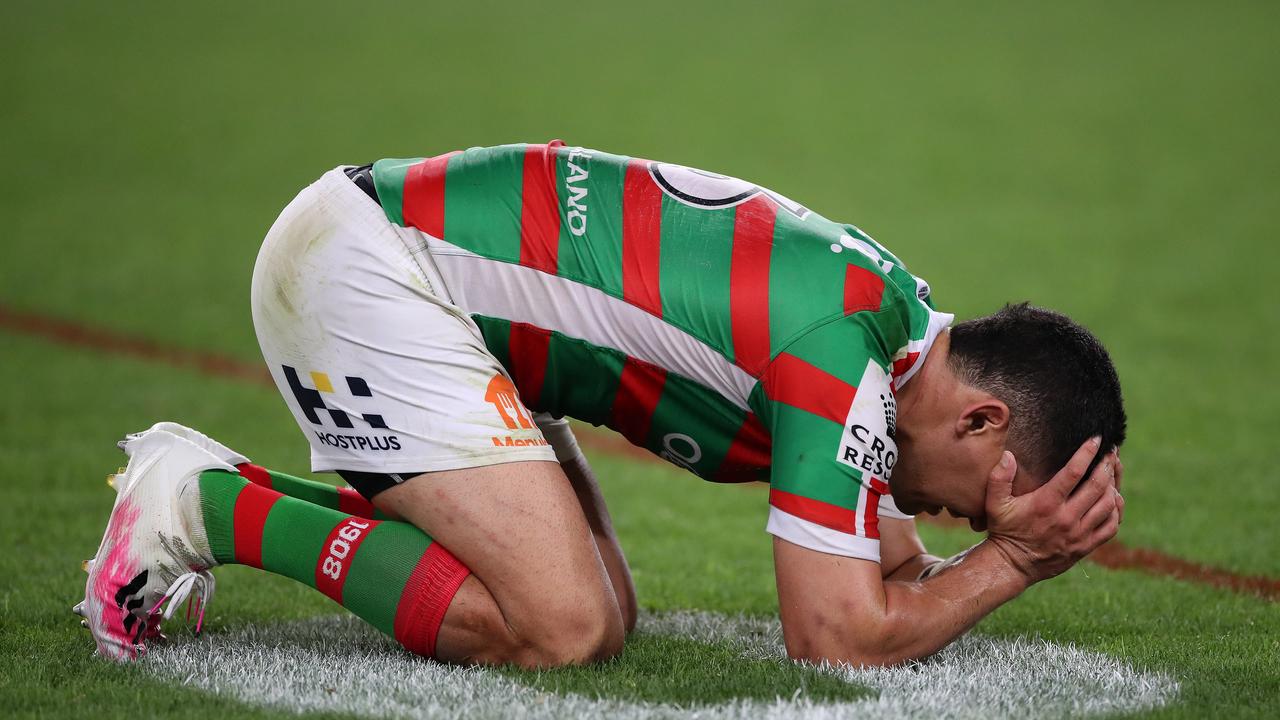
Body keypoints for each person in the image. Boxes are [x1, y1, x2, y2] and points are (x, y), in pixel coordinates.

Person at [78, 141, 1126, 667]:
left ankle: (223, 491)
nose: (957, 526)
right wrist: (1012, 563)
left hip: (428, 287)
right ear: (980, 419)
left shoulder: (895, 338)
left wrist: (992, 553)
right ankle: (195, 505)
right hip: (374, 274)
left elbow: (889, 576)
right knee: (561, 627)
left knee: (604, 619)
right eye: (976, 507)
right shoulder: (841, 358)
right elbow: (836, 634)